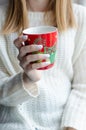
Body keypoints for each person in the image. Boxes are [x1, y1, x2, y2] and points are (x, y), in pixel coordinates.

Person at [0, 0, 86, 130]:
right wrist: (26, 80)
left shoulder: (80, 16)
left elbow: (83, 88)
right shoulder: (2, 17)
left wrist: (71, 127)